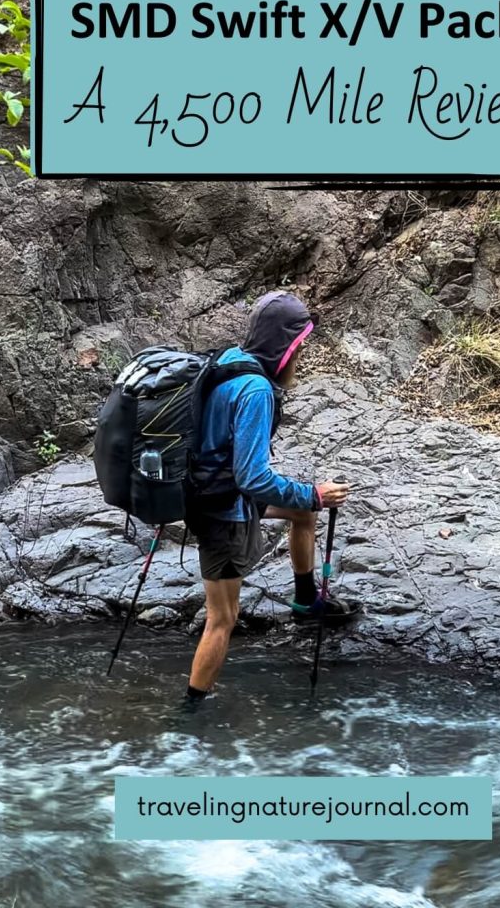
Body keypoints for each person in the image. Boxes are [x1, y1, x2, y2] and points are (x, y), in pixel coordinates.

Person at [185, 291, 352, 705]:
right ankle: (188, 715)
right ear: (286, 345)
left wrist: (306, 502)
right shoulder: (256, 389)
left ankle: (305, 600)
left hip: (209, 490)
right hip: (223, 511)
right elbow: (253, 478)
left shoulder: (225, 362)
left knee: (301, 514)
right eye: (300, 347)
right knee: (222, 619)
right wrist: (314, 493)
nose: (301, 357)